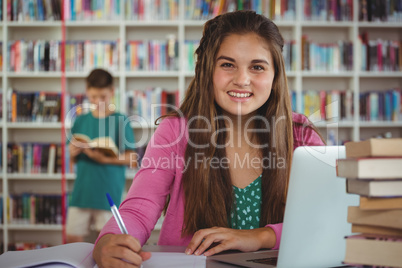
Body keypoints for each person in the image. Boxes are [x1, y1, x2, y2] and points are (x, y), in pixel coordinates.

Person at [93, 10, 324, 267]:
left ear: (275, 75)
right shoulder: (175, 131)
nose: (242, 80)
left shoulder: (300, 133)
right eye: (227, 65)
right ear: (207, 71)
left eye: (257, 67)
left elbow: (327, 218)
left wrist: (262, 236)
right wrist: (110, 240)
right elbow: (139, 208)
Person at [66, 68, 137, 243]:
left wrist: (104, 159)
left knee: (108, 242)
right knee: (72, 238)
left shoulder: (121, 120)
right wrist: (72, 153)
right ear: (87, 92)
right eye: (93, 97)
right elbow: (73, 160)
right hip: (82, 191)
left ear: (112, 92)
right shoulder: (80, 120)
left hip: (108, 191)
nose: (98, 102)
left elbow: (132, 158)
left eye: (103, 97)